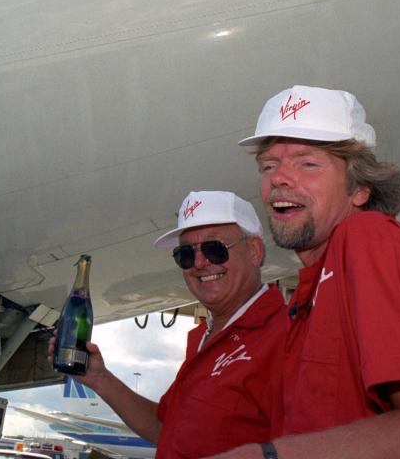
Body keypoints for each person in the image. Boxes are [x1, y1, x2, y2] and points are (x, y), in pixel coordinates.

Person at [218, 85, 400, 459]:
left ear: (359, 189)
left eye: (307, 163)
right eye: (269, 166)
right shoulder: (312, 291)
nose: (279, 178)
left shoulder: (367, 237)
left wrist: (263, 457)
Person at [51, 191, 287, 459]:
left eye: (215, 249)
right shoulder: (203, 337)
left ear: (254, 251)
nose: (199, 263)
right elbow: (167, 428)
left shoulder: (288, 336)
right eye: (186, 254)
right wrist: (99, 378)